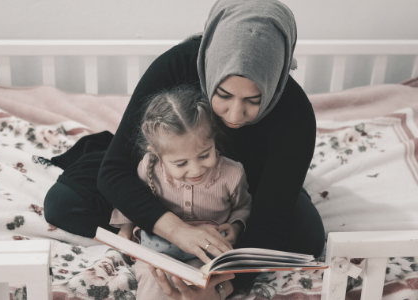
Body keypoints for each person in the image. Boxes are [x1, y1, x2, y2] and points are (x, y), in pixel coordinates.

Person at [44, 0, 325, 298]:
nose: (233, 116)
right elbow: (115, 170)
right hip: (166, 170)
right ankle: (151, 223)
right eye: (223, 95)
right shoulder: (176, 66)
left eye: (254, 101)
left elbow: (270, 219)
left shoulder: (296, 113)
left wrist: (223, 287)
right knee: (64, 203)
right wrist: (178, 231)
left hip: (249, 184)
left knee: (306, 240)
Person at [109, 85, 252, 300]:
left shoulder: (232, 173)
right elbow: (132, 200)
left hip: (205, 253)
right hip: (157, 250)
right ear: (157, 154)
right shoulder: (149, 166)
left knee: (199, 285)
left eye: (204, 155)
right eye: (181, 163)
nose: (195, 170)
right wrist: (126, 229)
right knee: (153, 280)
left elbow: (242, 206)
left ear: (214, 140)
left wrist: (236, 226)